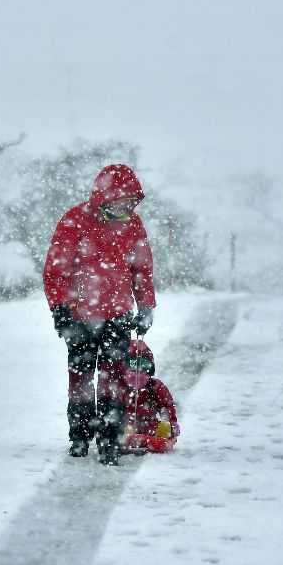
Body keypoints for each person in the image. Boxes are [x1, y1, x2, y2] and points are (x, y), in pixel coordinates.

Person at [43, 163, 157, 466]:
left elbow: (141, 270)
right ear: (104, 198)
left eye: (131, 202)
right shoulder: (74, 221)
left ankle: (110, 437)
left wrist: (146, 306)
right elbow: (56, 271)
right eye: (122, 201)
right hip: (79, 316)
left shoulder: (133, 225)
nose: (127, 208)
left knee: (114, 378)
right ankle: (80, 435)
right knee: (80, 377)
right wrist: (60, 310)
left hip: (117, 315)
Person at [118, 339, 179, 454]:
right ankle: (138, 440)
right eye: (133, 366)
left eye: (143, 366)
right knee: (122, 434)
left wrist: (167, 432)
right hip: (126, 427)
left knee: (164, 429)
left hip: (149, 427)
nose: (138, 372)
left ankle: (141, 440)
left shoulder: (156, 387)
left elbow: (167, 411)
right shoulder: (120, 387)